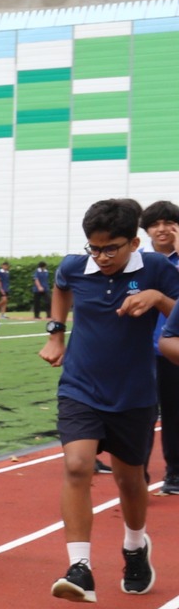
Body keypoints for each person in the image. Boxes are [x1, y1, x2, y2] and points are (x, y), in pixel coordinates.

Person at [39, 197, 179, 601]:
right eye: (94, 247)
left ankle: (135, 547)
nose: (101, 257)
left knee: (130, 480)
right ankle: (79, 566)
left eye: (110, 248)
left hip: (134, 393)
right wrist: (55, 333)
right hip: (80, 387)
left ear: (134, 243)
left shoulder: (155, 269)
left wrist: (157, 298)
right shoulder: (73, 267)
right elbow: (62, 290)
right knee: (77, 465)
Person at [143, 200, 179, 494]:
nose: (162, 229)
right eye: (155, 224)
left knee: (174, 413)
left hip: (172, 351)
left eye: (169, 223)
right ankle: (136, 472)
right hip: (139, 351)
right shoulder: (138, 262)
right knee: (139, 413)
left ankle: (175, 473)